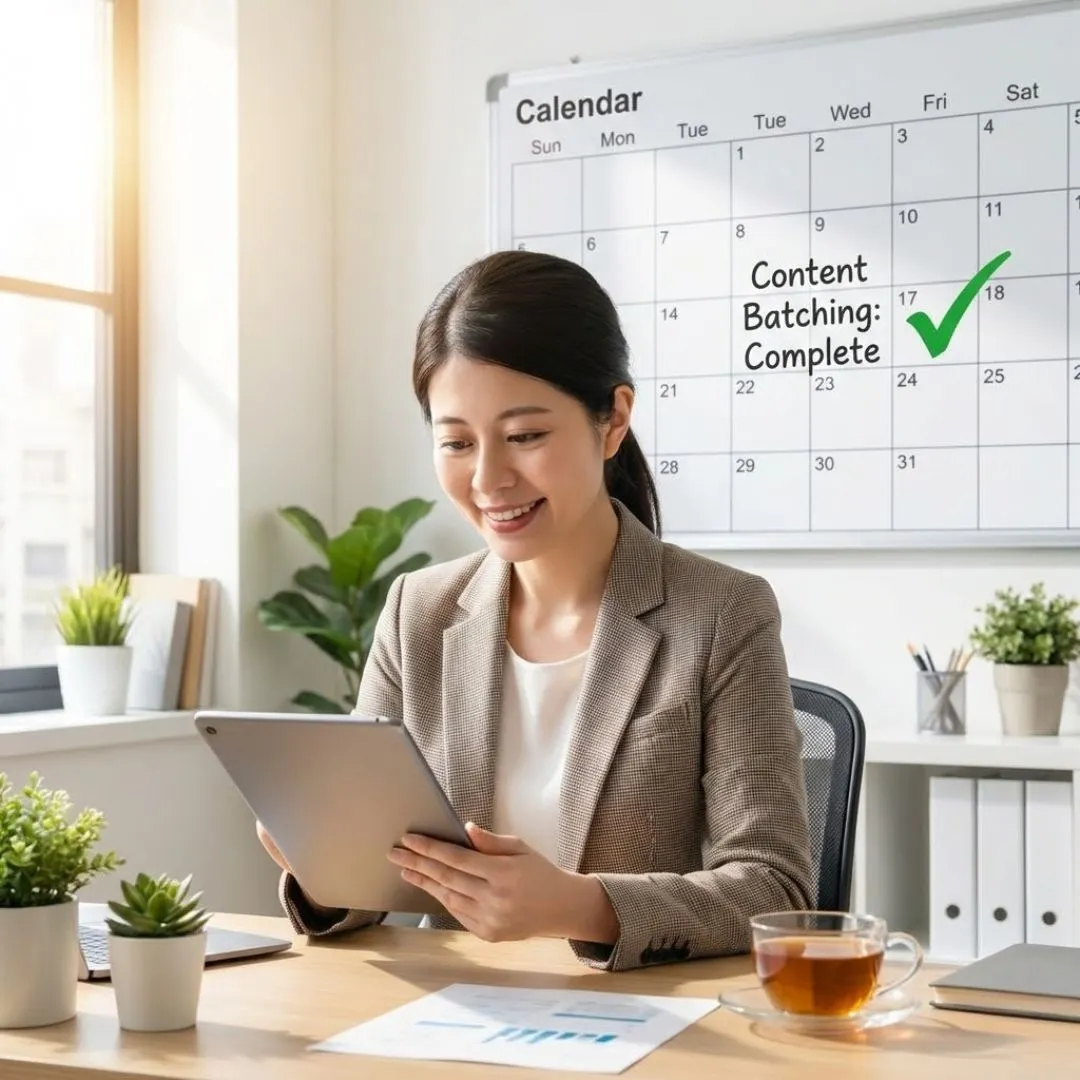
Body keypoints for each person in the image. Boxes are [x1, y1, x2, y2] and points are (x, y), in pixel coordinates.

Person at [258, 249, 814, 972]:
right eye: (456, 441)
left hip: (636, 1021)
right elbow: (379, 876)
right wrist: (323, 867)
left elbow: (776, 889)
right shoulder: (417, 612)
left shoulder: (722, 614)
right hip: (450, 1014)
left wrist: (575, 905)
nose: (488, 478)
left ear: (612, 419)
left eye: (524, 436)